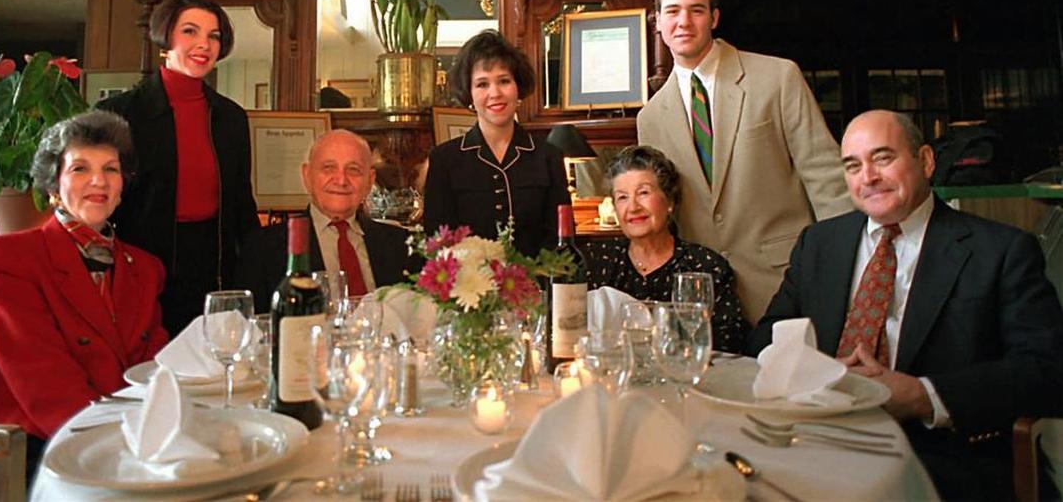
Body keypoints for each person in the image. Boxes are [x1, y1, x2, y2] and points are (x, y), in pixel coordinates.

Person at [746, 110, 1063, 500]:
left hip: (944, 457)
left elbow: (1047, 371)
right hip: (820, 443)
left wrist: (921, 395)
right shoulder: (818, 244)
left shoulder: (1000, 250)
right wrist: (818, 373)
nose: (868, 177)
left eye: (883, 158)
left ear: (926, 161)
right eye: (853, 165)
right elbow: (764, 341)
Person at [637, 0, 850, 323]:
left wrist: (846, 269)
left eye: (697, 10)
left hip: (786, 281)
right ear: (657, 22)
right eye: (672, 11)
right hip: (704, 300)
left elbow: (826, 176)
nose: (684, 21)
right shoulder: (651, 118)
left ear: (715, 18)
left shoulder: (777, 77)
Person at [0, 111, 167, 479]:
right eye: (79, 169)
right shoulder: (4, 260)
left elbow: (152, 370)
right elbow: (46, 387)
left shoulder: (145, 268)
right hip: (29, 453)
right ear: (52, 186)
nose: (99, 180)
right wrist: (120, 446)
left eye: (111, 169)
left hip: (127, 439)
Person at [98, 0, 259, 334]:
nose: (203, 44)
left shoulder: (231, 118)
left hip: (214, 266)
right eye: (190, 31)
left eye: (213, 36)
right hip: (141, 264)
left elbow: (242, 203)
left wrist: (253, 268)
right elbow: (102, 204)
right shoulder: (120, 113)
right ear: (166, 36)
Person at [581, 146, 748, 353]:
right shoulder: (598, 260)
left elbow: (729, 342)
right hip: (614, 378)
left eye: (643, 193)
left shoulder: (704, 265)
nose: (633, 207)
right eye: (622, 197)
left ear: (669, 201)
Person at [423, 30, 570, 257]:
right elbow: (437, 245)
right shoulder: (445, 160)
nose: (495, 93)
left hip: (537, 288)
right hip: (469, 288)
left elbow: (561, 241)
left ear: (518, 87)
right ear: (469, 94)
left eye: (504, 81)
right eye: (482, 84)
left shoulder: (548, 156)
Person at [237, 129, 418, 310]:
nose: (341, 180)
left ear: (370, 181)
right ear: (307, 176)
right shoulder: (263, 248)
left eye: (353, 170)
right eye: (328, 168)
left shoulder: (402, 246)